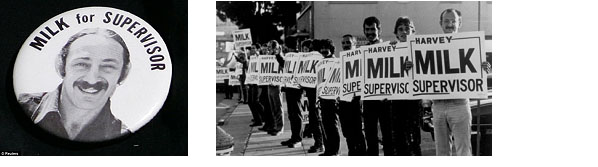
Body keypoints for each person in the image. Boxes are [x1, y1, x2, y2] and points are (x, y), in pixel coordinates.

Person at [18, 28, 131, 142]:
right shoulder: (20, 107)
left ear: (124, 74)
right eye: (81, 64)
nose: (92, 79)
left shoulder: (124, 137)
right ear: (61, 66)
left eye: (108, 67)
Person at [432, 8, 490, 156]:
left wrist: (485, 68)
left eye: (453, 21)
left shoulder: (470, 45)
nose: (450, 24)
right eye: (446, 21)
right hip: (438, 105)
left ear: (460, 23)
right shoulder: (430, 47)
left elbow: (480, 72)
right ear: (440, 23)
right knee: (441, 152)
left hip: (459, 104)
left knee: (463, 150)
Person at [361, 16, 394, 156]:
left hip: (386, 100)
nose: (370, 33)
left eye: (372, 29)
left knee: (388, 135)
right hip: (369, 100)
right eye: (367, 29)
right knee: (370, 135)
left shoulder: (389, 48)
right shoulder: (361, 51)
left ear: (379, 30)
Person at [389, 16, 422, 156]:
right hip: (397, 101)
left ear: (413, 31)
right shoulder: (389, 50)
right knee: (399, 139)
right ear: (396, 33)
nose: (404, 32)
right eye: (400, 29)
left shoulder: (421, 49)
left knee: (415, 139)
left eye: (407, 29)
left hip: (414, 100)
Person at [337, 34, 366, 156]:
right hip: (343, 101)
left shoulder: (361, 59)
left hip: (356, 100)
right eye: (343, 43)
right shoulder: (339, 61)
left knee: (357, 131)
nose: (345, 45)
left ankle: (362, 154)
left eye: (348, 42)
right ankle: (352, 153)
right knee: (347, 131)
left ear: (354, 44)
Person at [314, 39, 341, 156]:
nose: (324, 50)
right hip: (323, 98)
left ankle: (334, 151)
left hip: (333, 99)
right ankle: (328, 150)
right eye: (322, 48)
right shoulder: (320, 64)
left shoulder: (337, 62)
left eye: (326, 48)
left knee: (332, 125)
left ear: (331, 49)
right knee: (325, 125)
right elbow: (318, 82)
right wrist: (317, 99)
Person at [302, 39, 325, 153]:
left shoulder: (316, 59)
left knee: (316, 119)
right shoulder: (319, 58)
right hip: (314, 93)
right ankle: (319, 142)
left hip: (315, 93)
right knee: (315, 118)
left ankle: (319, 143)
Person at [264, 40, 285, 136]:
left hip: (276, 85)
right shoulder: (268, 57)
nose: (268, 49)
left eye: (270, 47)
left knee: (277, 107)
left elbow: (283, 67)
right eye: (268, 47)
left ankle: (279, 127)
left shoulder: (279, 57)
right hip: (269, 84)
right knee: (272, 107)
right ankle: (275, 125)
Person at [247, 44, 265, 127]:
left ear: (258, 49)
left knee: (255, 101)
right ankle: (258, 118)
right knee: (250, 102)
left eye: (254, 48)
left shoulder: (261, 57)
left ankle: (263, 117)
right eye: (251, 48)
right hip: (252, 82)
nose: (252, 49)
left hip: (257, 83)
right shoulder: (251, 58)